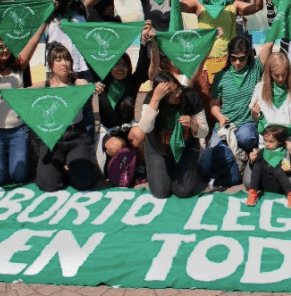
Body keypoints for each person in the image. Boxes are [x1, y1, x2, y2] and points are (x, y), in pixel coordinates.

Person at [0, 1, 46, 187]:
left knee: (19, 176)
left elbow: (34, 39)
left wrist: (45, 18)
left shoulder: (18, 67)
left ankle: (17, 156)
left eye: (6, 46)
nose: (4, 50)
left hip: (18, 131)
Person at [25, 44, 98, 191]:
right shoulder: (43, 85)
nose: (64, 63)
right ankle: (60, 171)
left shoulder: (78, 84)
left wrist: (95, 87)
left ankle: (73, 167)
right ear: (51, 65)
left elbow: (90, 85)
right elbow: (20, 94)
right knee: (48, 185)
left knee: (84, 183)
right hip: (52, 138)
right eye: (58, 60)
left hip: (76, 136)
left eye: (66, 59)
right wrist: (4, 93)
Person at [129, 71, 207, 199]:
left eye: (177, 89)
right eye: (171, 94)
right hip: (159, 150)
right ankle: (166, 169)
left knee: (182, 191)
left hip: (186, 149)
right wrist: (155, 100)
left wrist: (193, 124)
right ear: (162, 96)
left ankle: (186, 168)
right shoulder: (152, 98)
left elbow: (204, 131)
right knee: (160, 192)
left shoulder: (190, 96)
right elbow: (145, 127)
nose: (177, 94)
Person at [207, 37, 273, 182]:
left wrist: (278, 18)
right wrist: (220, 117)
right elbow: (214, 104)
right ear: (229, 56)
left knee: (246, 137)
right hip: (225, 125)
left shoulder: (255, 68)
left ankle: (241, 154)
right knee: (205, 165)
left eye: (242, 58)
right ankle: (236, 156)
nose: (237, 62)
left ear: (249, 55)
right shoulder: (221, 76)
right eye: (233, 58)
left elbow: (268, 45)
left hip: (246, 123)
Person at [245, 52, 291, 193]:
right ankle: (276, 179)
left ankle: (272, 179)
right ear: (269, 73)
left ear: (289, 71)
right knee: (248, 182)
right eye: (276, 75)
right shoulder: (260, 88)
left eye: (284, 74)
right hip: (267, 146)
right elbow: (257, 122)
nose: (280, 79)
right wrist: (254, 115)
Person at [98, 22, 155, 176]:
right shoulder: (101, 84)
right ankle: (116, 166)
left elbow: (143, 65)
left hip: (127, 129)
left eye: (124, 64)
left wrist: (143, 41)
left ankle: (139, 167)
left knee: (141, 134)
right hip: (109, 132)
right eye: (116, 64)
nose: (120, 68)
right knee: (118, 146)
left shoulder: (132, 83)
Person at [245, 125, 291, 208]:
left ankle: (290, 194)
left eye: (271, 142)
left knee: (278, 170)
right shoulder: (263, 151)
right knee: (257, 165)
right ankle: (253, 192)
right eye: (265, 141)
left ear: (280, 142)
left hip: (278, 184)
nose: (267, 144)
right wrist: (252, 160)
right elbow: (254, 170)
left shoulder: (284, 153)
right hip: (263, 183)